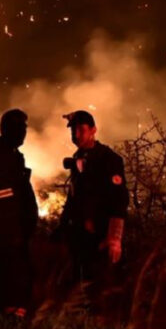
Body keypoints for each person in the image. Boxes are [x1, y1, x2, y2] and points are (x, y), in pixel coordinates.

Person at [57, 110, 128, 283]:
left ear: (93, 130)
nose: (76, 135)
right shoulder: (79, 158)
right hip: (79, 237)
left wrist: (114, 239)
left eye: (81, 129)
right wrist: (63, 225)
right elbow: (75, 196)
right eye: (73, 131)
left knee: (98, 288)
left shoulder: (108, 159)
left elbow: (119, 200)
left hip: (99, 237)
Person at [0, 109, 38, 318]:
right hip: (10, 231)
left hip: (17, 231)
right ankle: (6, 320)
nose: (23, 132)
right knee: (11, 274)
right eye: (19, 127)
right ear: (7, 129)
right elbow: (1, 198)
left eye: (24, 128)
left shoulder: (12, 155)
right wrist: (15, 231)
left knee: (13, 273)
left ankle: (6, 317)